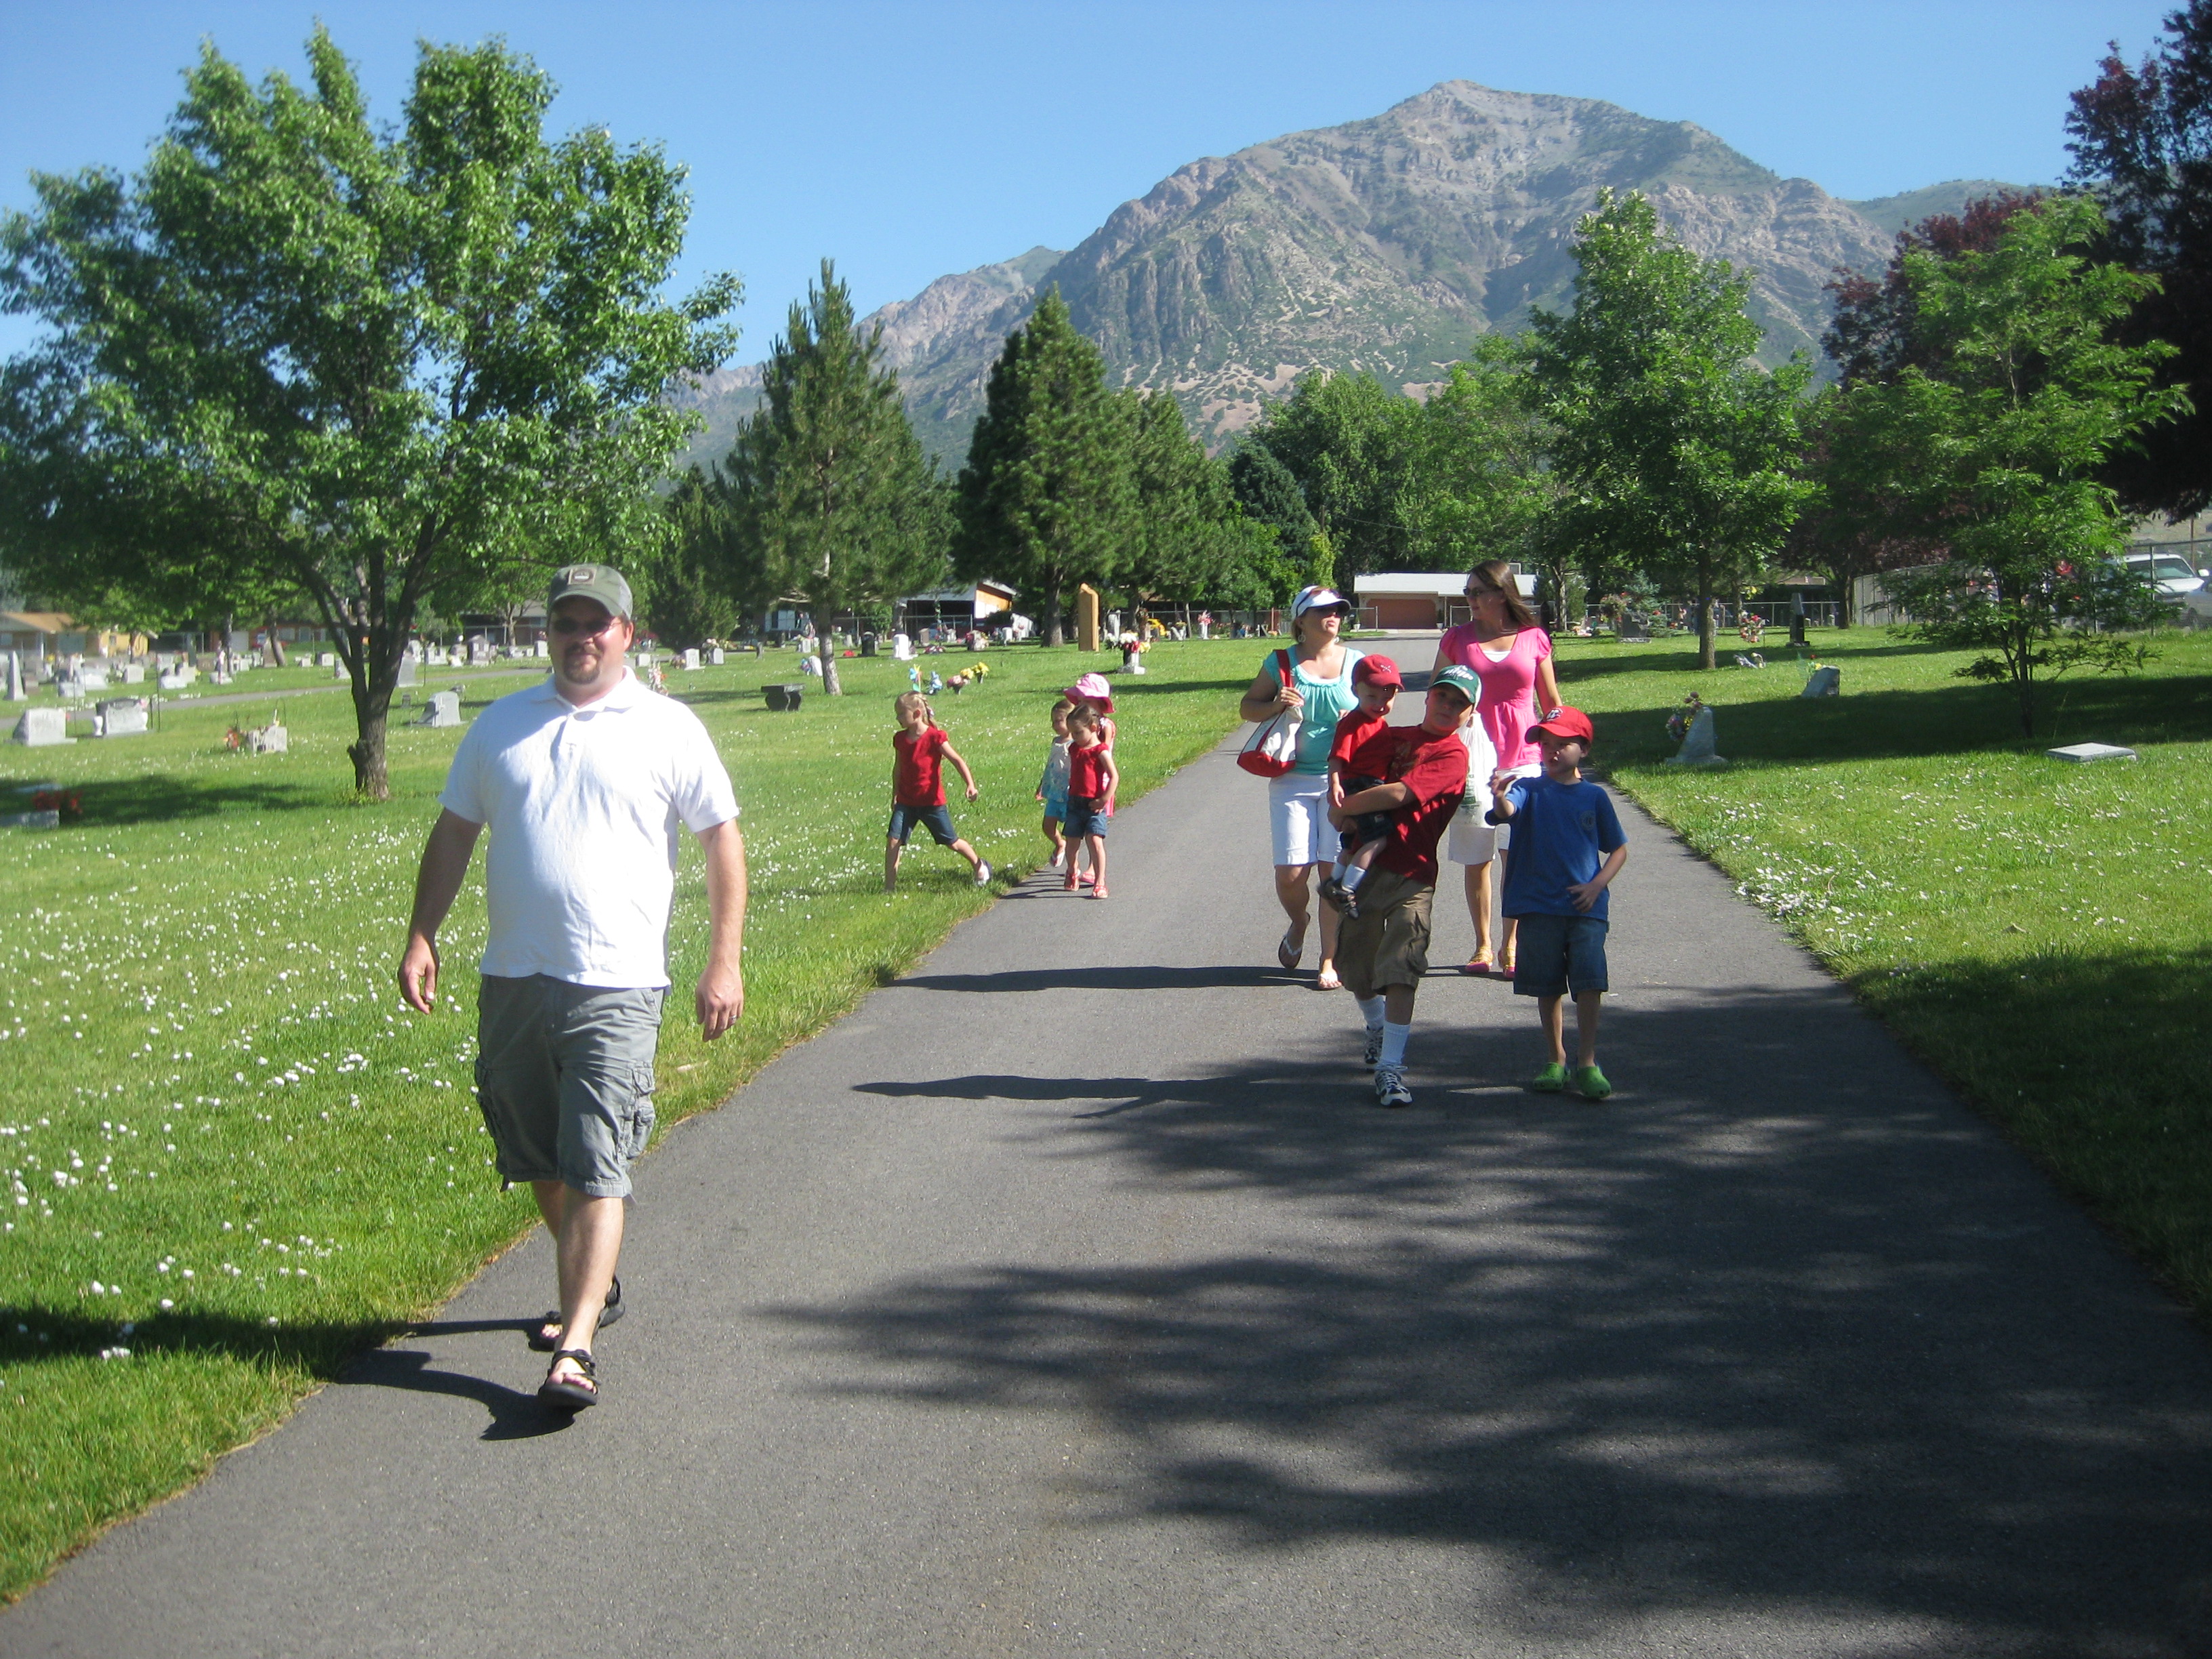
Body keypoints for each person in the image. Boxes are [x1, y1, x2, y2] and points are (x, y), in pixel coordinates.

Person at [398, 563, 745, 1411]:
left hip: (618, 982)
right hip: (513, 976)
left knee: (597, 1160)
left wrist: (722, 959)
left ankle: (577, 1344)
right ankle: (598, 1278)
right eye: (567, 623)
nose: (581, 637)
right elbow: (453, 835)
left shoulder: (667, 726)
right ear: (546, 633)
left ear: (629, 633)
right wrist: (421, 933)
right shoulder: (502, 727)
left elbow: (722, 846)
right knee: (533, 1153)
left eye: (599, 623)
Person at [1329, 665, 1481, 1107]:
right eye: (1442, 697)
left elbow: (1401, 794)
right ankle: (1375, 1025)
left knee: (1402, 965)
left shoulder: (1453, 755)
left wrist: (1346, 807)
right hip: (1366, 872)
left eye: (1459, 703)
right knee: (1355, 967)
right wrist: (1335, 797)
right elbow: (1345, 759)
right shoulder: (1391, 735)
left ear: (1470, 713)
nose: (1448, 707)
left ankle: (1391, 1068)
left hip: (1412, 877)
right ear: (1428, 697)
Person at [1484, 706, 1629, 1101]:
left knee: (1589, 983)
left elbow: (1618, 850)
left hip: (1585, 909)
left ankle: (1588, 1061)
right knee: (1547, 985)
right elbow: (1506, 812)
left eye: (1562, 744)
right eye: (1545, 744)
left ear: (1583, 748)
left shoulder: (1594, 796)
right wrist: (1499, 797)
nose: (1552, 751)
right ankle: (1555, 1058)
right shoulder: (1528, 789)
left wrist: (1597, 886)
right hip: (1538, 907)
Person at [1431, 559, 1561, 977]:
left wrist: (1560, 751)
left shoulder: (1534, 638)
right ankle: (1482, 946)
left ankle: (1512, 946)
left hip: (1523, 761)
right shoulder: (1457, 639)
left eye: (1475, 593)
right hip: (1472, 760)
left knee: (1516, 856)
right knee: (1477, 858)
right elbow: (1438, 698)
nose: (1468, 600)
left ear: (1500, 594)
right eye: (1466, 593)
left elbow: (1552, 703)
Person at [1237, 586, 1365, 988]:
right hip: (1291, 778)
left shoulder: (1358, 663)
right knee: (1291, 875)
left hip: (1341, 782)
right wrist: (1276, 703)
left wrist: (1360, 715)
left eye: (1338, 610)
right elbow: (1247, 707)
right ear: (1301, 621)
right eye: (1323, 610)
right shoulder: (1281, 663)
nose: (1333, 616)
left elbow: (1383, 709)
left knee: (1332, 874)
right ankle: (1299, 922)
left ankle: (1329, 960)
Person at [1317, 655, 1404, 919]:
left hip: (1371, 784)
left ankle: (1333, 881)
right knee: (1378, 840)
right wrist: (1335, 785)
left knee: (1353, 843)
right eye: (1372, 696)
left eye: (1387, 697)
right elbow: (1336, 757)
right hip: (1361, 786)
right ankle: (1348, 888)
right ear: (1356, 691)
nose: (1380, 704)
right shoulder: (1353, 722)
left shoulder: (1380, 724)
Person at [885, 691, 989, 893]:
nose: (897, 718)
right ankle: (889, 888)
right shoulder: (900, 739)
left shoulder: (935, 737)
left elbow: (957, 760)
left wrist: (970, 784)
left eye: (900, 714)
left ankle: (979, 865)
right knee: (893, 840)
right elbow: (898, 768)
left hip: (931, 803)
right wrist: (895, 793)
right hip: (906, 802)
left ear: (916, 714)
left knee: (951, 842)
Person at [1061, 703, 1118, 899]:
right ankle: (1072, 870)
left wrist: (1104, 799)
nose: (1074, 737)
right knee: (1072, 842)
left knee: (1095, 840)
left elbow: (1114, 776)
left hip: (1094, 805)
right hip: (1075, 803)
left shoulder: (1100, 751)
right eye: (1072, 733)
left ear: (1093, 728)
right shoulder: (1075, 748)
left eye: (1078, 732)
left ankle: (1100, 881)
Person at [1035, 697, 1074, 869]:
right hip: (1054, 792)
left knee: (1073, 831)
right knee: (1048, 826)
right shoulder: (1055, 742)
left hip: (1070, 792)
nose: (1055, 725)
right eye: (1053, 721)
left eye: (1059, 721)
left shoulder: (1076, 744)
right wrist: (1042, 784)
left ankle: (1074, 865)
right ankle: (1060, 844)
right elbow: (1050, 764)